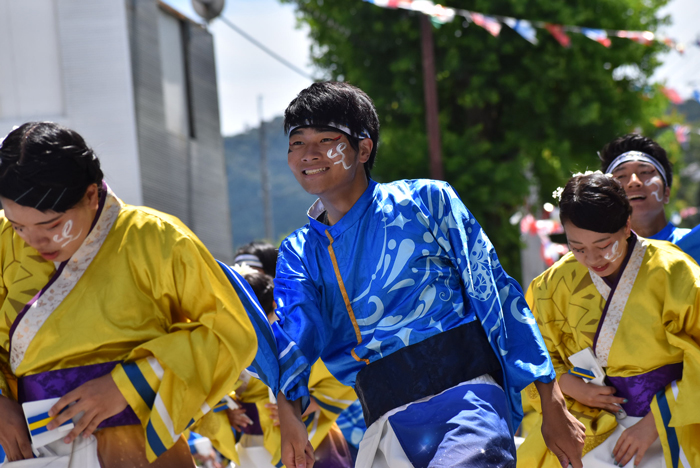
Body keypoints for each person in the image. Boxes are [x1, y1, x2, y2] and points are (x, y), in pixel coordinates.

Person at [268, 81, 586, 468]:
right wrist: (289, 415)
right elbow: (293, 339)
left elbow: (497, 294)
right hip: (384, 426)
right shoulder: (299, 252)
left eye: (326, 139)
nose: (309, 153)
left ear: (363, 148)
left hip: (467, 401)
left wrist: (550, 402)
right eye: (297, 142)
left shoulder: (427, 201)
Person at [0, 122, 258, 467]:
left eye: (51, 226)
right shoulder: (4, 241)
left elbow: (230, 332)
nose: (33, 241)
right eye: (18, 226)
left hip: (139, 437)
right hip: (34, 444)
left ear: (92, 195)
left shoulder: (157, 237)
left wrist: (127, 384)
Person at [518, 172, 700, 467]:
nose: (592, 258)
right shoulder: (552, 284)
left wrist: (656, 420)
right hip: (587, 420)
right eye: (577, 247)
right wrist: (566, 385)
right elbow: (533, 353)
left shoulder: (674, 271)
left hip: (671, 418)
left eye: (604, 245)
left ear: (627, 225)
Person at [225, 265, 355, 468]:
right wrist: (227, 409)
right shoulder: (229, 342)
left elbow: (345, 372)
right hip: (248, 444)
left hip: (305, 434)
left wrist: (310, 403)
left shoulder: (296, 340)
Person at [599, 134, 689, 243]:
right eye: (621, 176)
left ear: (666, 192)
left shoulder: (694, 245)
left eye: (645, 172)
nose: (634, 182)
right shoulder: (593, 257)